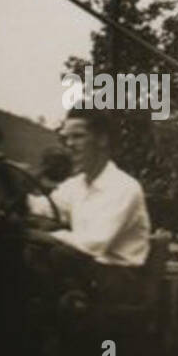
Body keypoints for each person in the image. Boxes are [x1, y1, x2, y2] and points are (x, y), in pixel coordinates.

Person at [39, 107, 151, 267]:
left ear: (102, 139)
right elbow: (45, 208)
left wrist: (46, 236)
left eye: (78, 136)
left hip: (117, 278)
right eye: (66, 139)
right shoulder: (75, 185)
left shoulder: (124, 187)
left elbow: (93, 244)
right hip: (87, 271)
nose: (69, 144)